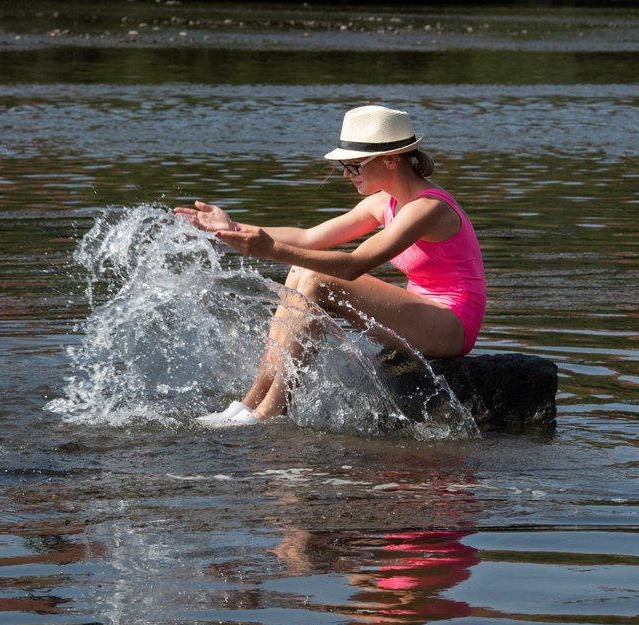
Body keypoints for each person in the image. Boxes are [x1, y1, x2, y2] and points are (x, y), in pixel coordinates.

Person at [174, 105, 486, 426]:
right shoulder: (385, 202)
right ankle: (249, 404)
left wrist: (271, 250)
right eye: (344, 165)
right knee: (300, 271)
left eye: (354, 165)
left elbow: (353, 265)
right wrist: (232, 228)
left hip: (452, 327)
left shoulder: (427, 207)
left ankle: (271, 412)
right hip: (422, 315)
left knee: (319, 278)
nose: (346, 174)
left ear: (392, 159)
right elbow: (309, 237)